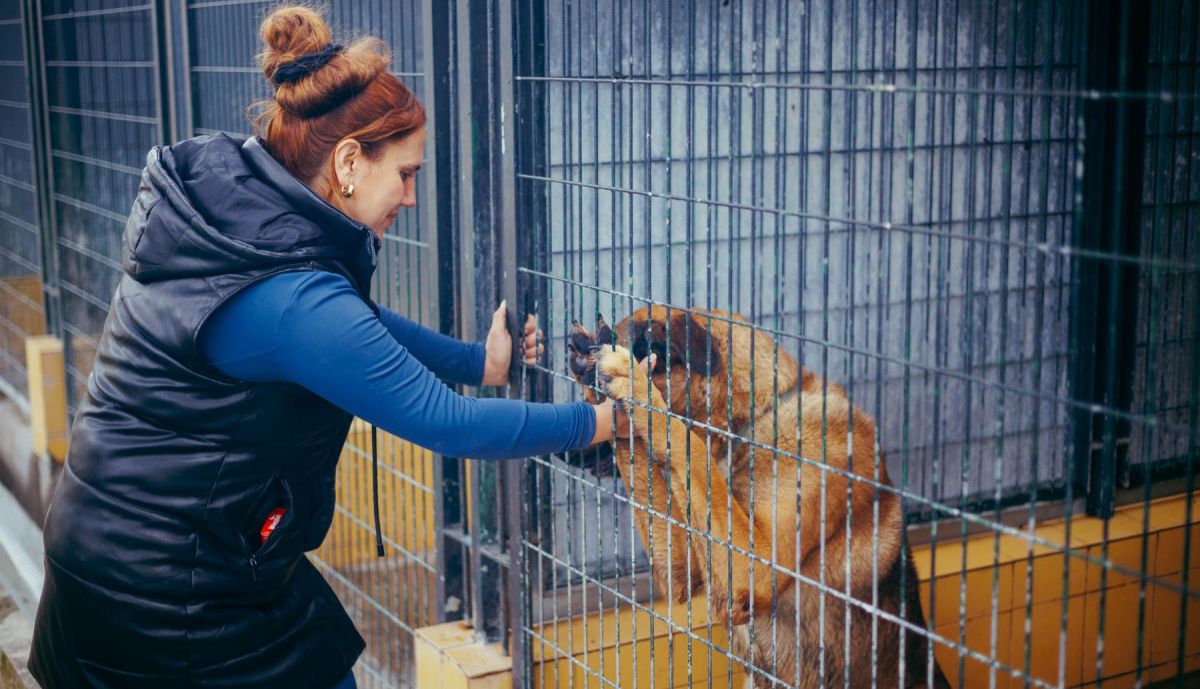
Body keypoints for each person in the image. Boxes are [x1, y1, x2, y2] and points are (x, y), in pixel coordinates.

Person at [27, 6, 627, 688]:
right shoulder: (290, 298)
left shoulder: (246, 217)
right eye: (404, 173)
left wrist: (479, 363)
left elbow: (355, 326)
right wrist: (606, 421)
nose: (409, 194)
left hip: (162, 552)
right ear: (347, 162)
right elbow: (446, 421)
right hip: (160, 597)